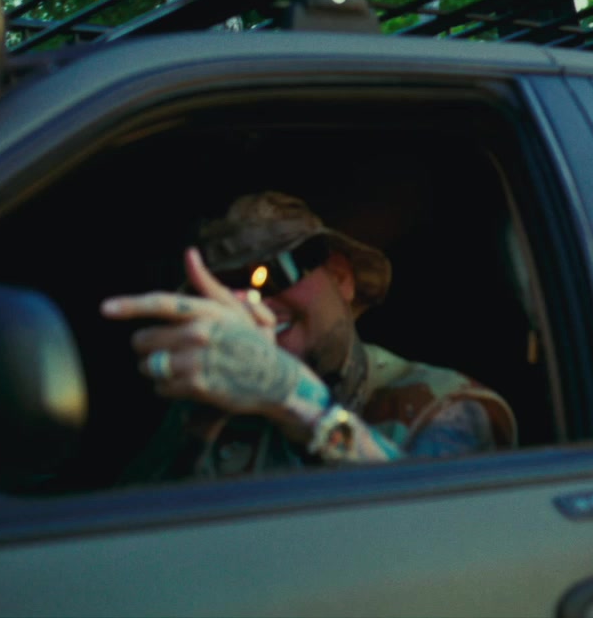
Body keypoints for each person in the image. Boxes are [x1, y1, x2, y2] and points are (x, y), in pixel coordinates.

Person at [101, 191, 516, 480]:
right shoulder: (212, 404)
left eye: (269, 275)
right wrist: (199, 426)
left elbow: (435, 536)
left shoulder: (447, 406)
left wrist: (291, 398)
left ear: (340, 277)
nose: (252, 302)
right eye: (224, 289)